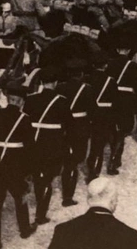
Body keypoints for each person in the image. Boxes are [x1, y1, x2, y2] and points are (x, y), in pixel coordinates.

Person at [0, 82, 36, 249]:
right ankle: (25, 230)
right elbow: (29, 148)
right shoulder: (25, 119)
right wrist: (28, 172)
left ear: (7, 99)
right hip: (16, 166)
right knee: (20, 198)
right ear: (20, 102)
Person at [23, 68, 71, 226]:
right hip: (52, 143)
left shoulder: (31, 99)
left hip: (33, 141)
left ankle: (37, 197)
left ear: (41, 83)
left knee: (38, 176)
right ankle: (40, 214)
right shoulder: (62, 101)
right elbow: (68, 124)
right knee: (47, 179)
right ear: (56, 83)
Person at [56, 59, 95, 207]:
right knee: (75, 160)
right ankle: (68, 196)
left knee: (67, 160)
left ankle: (66, 192)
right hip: (80, 126)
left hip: (63, 127)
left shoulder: (60, 88)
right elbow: (92, 111)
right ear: (81, 73)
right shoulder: (87, 89)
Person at [105, 45, 137, 175]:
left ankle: (113, 153)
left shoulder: (110, 64)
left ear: (117, 49)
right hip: (126, 100)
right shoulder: (132, 66)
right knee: (122, 131)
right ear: (128, 50)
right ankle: (115, 159)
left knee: (112, 128)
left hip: (111, 98)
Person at [86, 53, 117, 182]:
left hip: (90, 112)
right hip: (105, 113)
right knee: (100, 143)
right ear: (105, 65)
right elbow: (116, 100)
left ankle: (90, 166)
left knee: (92, 141)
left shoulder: (88, 79)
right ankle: (95, 170)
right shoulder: (111, 80)